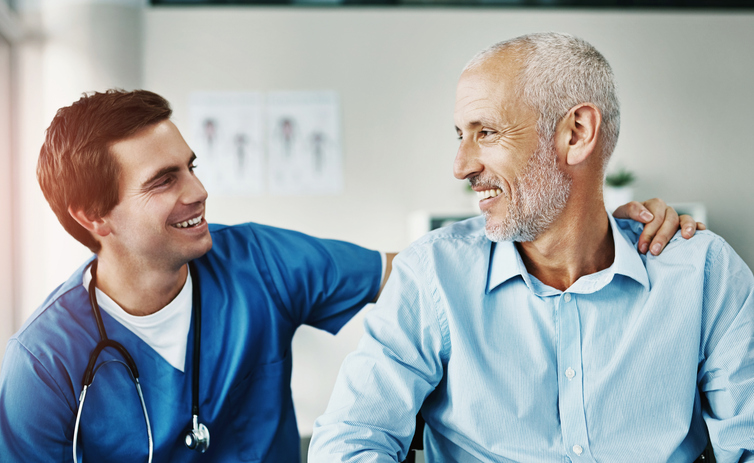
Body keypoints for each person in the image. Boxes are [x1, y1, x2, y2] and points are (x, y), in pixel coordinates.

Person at [0, 89, 689, 463]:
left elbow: (426, 273)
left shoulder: (258, 263)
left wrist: (591, 224)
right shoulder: (44, 362)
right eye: (164, 180)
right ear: (95, 216)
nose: (198, 191)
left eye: (192, 165)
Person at [308, 33, 753, 463]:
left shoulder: (703, 272)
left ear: (576, 133)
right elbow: (348, 441)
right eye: (460, 134)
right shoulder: (433, 274)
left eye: (486, 133)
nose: (461, 166)